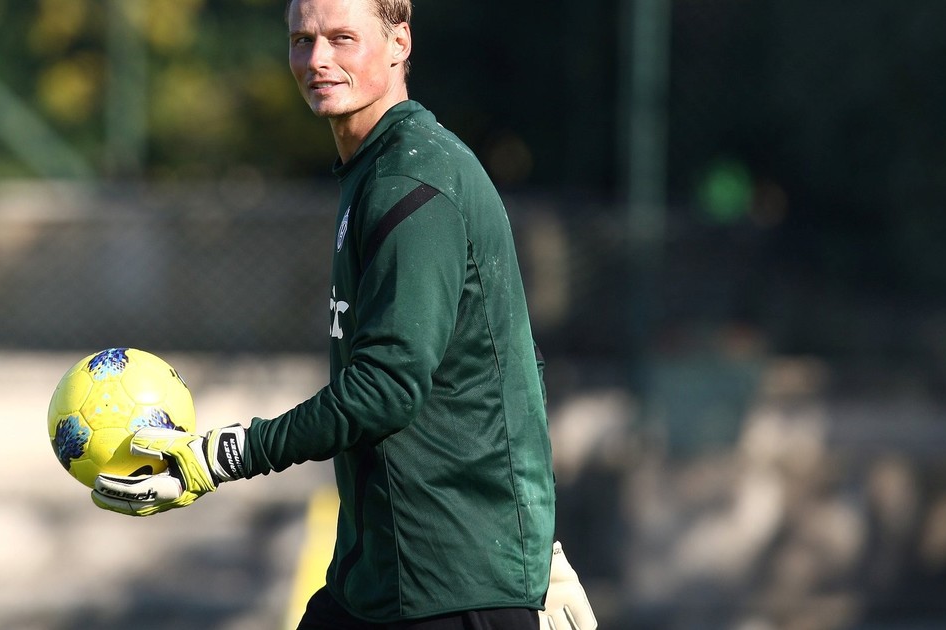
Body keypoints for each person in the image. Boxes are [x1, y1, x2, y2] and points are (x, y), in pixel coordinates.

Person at [91, 0, 596, 628]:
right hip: (381, 577)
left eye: (341, 38)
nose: (317, 59)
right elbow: (512, 361)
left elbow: (387, 388)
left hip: (448, 585)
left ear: (399, 42)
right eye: (302, 40)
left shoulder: (413, 181)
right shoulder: (379, 167)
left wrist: (223, 455)